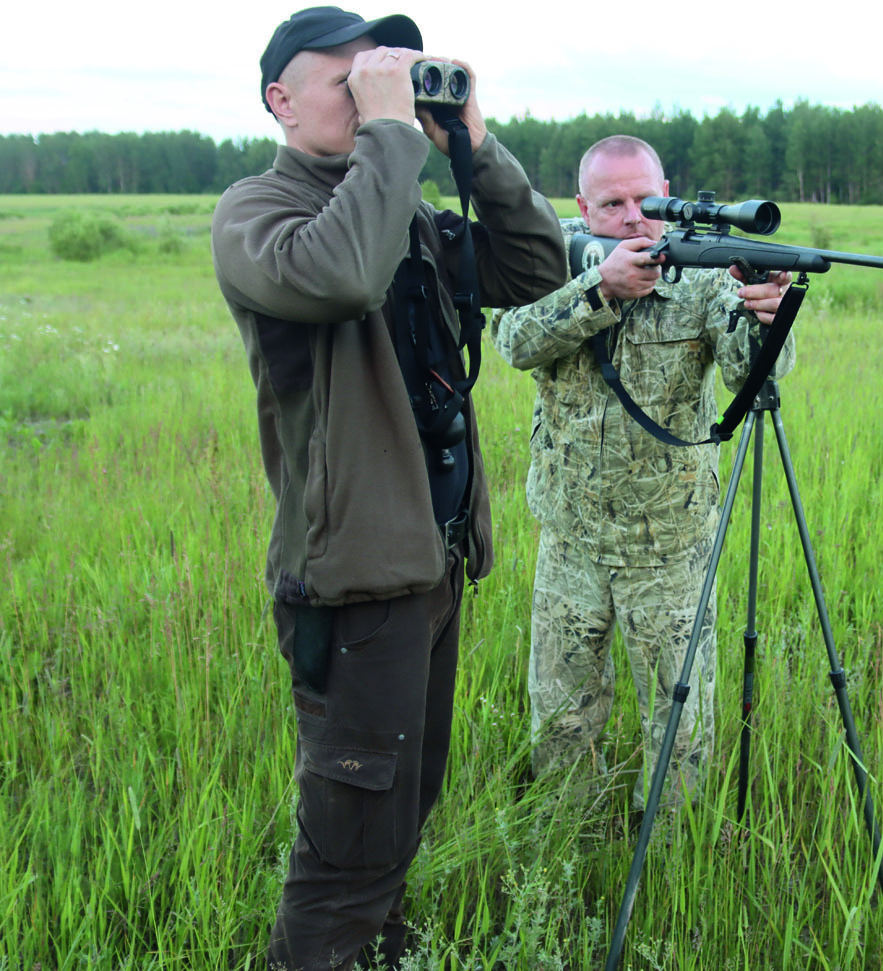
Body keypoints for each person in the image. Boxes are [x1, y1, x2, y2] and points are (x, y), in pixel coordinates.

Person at [210, 8, 566, 969]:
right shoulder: (258, 213)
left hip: (430, 565)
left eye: (388, 74)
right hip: (356, 584)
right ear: (281, 101)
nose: (378, 91)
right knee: (345, 867)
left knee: (398, 828)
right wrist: (393, 140)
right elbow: (340, 277)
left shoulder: (401, 206)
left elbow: (536, 272)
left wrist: (475, 147)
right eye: (351, 76)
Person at [490, 135, 795, 811]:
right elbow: (512, 339)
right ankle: (565, 848)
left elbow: (755, 379)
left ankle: (667, 861)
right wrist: (600, 288)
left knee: (679, 729)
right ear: (582, 207)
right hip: (570, 537)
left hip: (670, 548)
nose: (634, 217)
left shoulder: (707, 277)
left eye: (648, 200)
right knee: (562, 718)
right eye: (614, 203)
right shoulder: (549, 257)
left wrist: (768, 317)